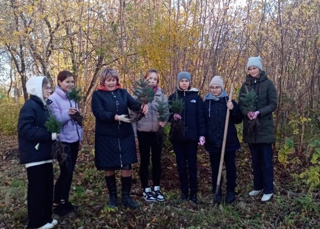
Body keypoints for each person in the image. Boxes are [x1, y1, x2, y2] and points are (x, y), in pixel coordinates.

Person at [91, 68, 148, 209]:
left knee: (127, 164)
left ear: (117, 80)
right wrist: (114, 117)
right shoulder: (97, 95)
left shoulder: (122, 93)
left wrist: (142, 106)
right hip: (106, 136)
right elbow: (98, 112)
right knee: (109, 165)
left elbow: (133, 105)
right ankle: (113, 197)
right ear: (103, 81)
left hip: (124, 134)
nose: (111, 83)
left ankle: (126, 197)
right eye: (108, 80)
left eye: (113, 80)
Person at [18, 76, 58, 229]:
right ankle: (35, 223)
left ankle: (46, 218)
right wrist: (49, 135)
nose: (49, 89)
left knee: (48, 188)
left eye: (49, 86)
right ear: (36, 88)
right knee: (37, 189)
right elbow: (25, 129)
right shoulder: (30, 106)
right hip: (34, 155)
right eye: (46, 87)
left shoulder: (44, 106)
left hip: (46, 154)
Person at [238, 56, 277, 202]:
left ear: (259, 68)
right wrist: (246, 112)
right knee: (255, 160)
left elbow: (273, 104)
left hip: (264, 127)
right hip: (250, 129)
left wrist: (259, 112)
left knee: (266, 160)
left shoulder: (268, 84)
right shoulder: (245, 85)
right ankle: (258, 186)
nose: (252, 70)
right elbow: (241, 103)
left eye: (254, 68)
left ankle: (268, 189)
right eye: (250, 68)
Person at [48, 71, 83, 216]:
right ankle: (57, 202)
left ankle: (65, 200)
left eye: (72, 82)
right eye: (67, 82)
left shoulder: (72, 97)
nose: (70, 84)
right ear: (59, 82)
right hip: (62, 142)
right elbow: (55, 121)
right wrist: (68, 114)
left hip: (74, 139)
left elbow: (76, 119)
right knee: (65, 171)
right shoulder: (52, 99)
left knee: (70, 172)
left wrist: (80, 134)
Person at [168, 71, 206, 204]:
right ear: (178, 82)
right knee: (181, 165)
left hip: (192, 138)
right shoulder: (173, 97)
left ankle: (193, 192)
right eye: (182, 81)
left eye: (186, 81)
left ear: (190, 82)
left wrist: (202, 134)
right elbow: (167, 115)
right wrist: (173, 117)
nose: (184, 83)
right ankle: (184, 192)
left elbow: (201, 117)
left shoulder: (196, 98)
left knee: (192, 165)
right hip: (178, 138)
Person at [203, 76, 242, 204]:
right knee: (215, 168)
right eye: (212, 88)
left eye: (217, 87)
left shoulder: (228, 101)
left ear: (222, 88)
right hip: (213, 142)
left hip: (229, 141)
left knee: (230, 167)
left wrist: (233, 109)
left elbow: (238, 119)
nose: (214, 90)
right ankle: (217, 191)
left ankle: (231, 190)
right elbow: (203, 122)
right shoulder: (206, 103)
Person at [132, 69, 169, 202]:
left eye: (155, 79)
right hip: (143, 132)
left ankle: (156, 188)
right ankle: (146, 189)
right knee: (145, 161)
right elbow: (133, 116)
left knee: (157, 160)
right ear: (145, 79)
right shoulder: (138, 95)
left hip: (157, 132)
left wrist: (163, 121)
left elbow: (166, 111)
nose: (152, 81)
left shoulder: (161, 95)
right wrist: (134, 134)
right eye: (150, 78)